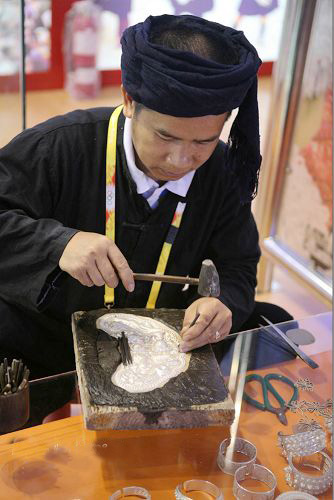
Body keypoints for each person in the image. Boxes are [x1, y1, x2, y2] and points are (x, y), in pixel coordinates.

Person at [0, 14, 294, 382]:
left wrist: (221, 304)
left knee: (274, 326)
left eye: (203, 141)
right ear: (129, 100)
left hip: (158, 341)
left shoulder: (219, 168)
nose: (181, 160)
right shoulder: (59, 146)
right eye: (165, 137)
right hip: (47, 337)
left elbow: (237, 265)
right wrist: (58, 244)